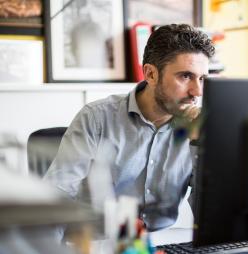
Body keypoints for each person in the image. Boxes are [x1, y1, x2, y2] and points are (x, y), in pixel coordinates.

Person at [44, 24, 215, 231]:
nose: (197, 91)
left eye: (202, 78)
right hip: (100, 242)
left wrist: (198, 144)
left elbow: (210, 215)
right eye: (185, 76)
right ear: (151, 74)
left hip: (160, 243)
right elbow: (56, 200)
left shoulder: (199, 126)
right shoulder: (96, 119)